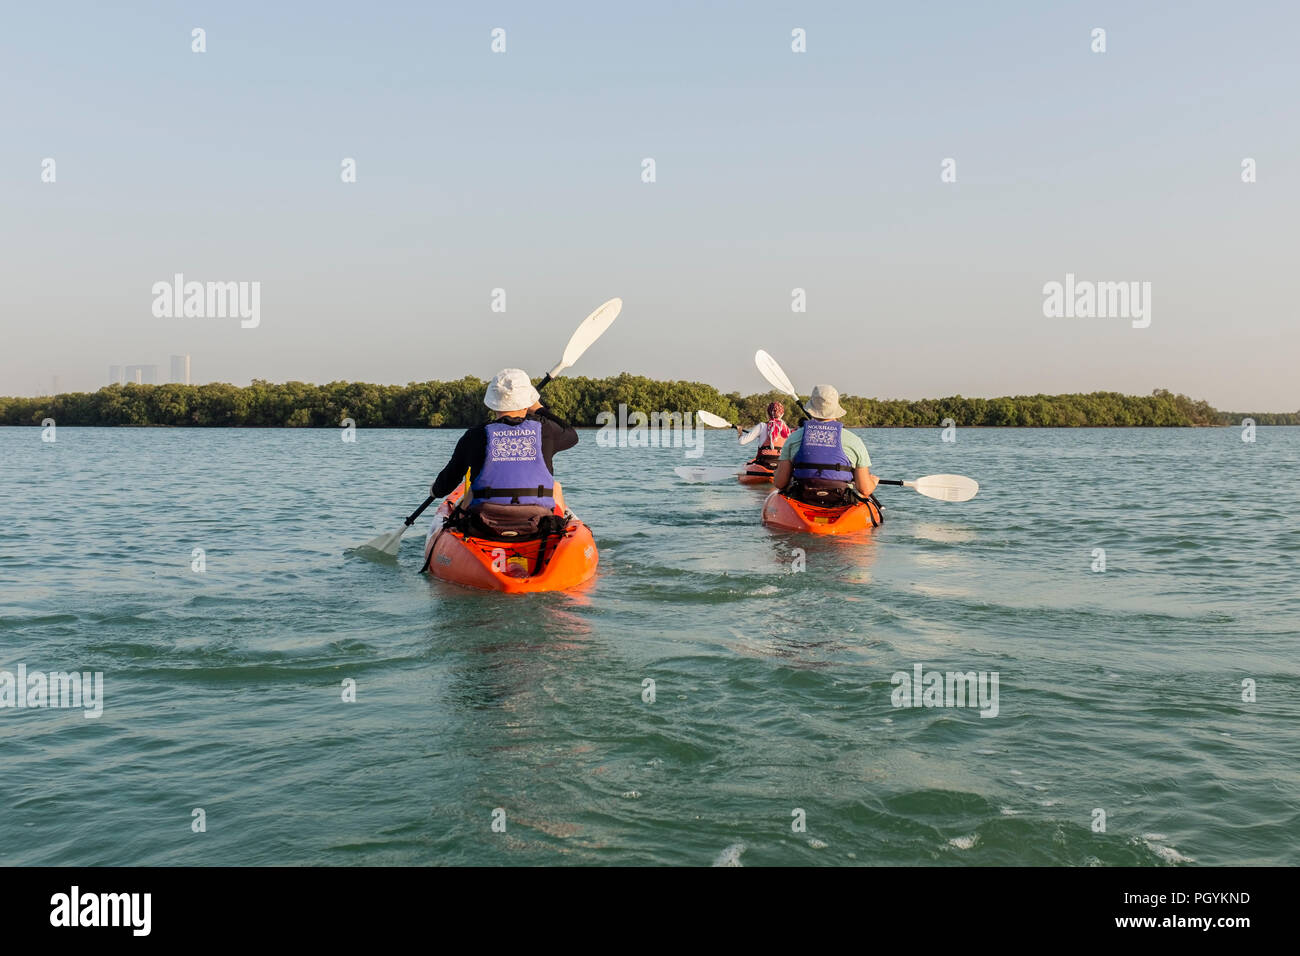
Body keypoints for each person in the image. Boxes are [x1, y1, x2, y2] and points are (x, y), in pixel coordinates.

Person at [428, 368, 578, 538]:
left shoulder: (475, 435)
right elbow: (571, 434)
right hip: (537, 521)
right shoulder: (546, 431)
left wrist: (435, 491)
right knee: (555, 487)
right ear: (528, 402)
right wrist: (539, 408)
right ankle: (558, 538)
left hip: (484, 521)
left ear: (493, 403)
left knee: (470, 491)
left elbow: (449, 480)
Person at [772, 384, 878, 504]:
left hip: (803, 498)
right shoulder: (854, 440)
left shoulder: (794, 437)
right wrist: (873, 481)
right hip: (840, 498)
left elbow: (780, 483)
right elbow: (865, 489)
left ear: (811, 409)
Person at [735, 401, 791, 473]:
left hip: (763, 463)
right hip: (780, 464)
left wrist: (740, 432)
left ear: (768, 413)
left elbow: (741, 441)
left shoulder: (762, 426)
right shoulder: (786, 429)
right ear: (782, 414)